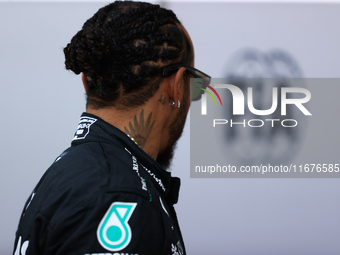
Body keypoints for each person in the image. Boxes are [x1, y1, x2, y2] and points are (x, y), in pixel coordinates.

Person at [13, 1, 210, 254]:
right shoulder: (119, 196)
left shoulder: (75, 171)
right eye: (195, 86)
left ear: (85, 82)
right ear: (177, 86)